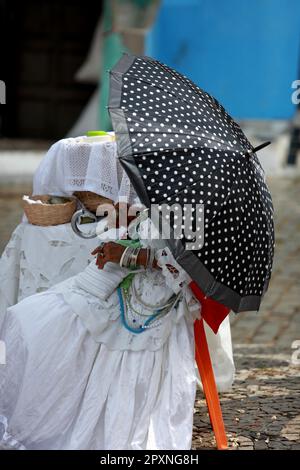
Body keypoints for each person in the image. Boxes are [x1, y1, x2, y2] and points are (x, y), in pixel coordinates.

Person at [0, 200, 234, 450]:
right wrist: (130, 231)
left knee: (58, 330)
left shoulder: (203, 210)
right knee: (28, 319)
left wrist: (129, 255)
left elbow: (189, 268)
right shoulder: (174, 191)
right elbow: (153, 236)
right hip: (118, 285)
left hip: (153, 308)